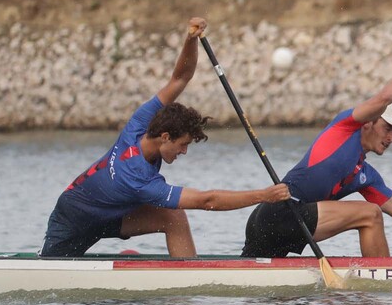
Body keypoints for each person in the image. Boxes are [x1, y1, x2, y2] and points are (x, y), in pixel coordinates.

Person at [41, 17, 290, 257]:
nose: (184, 152)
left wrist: (190, 39)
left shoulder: (140, 123)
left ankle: (188, 282)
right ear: (165, 137)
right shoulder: (137, 178)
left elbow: (180, 78)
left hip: (108, 214)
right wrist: (262, 196)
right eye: (182, 145)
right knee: (49, 270)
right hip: (73, 218)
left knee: (173, 216)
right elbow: (207, 200)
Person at [241, 53, 392, 258]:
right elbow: (384, 98)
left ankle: (378, 278)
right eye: (388, 129)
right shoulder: (344, 128)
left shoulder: (366, 176)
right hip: (276, 214)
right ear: (369, 121)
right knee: (370, 214)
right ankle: (382, 280)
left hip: (288, 224)